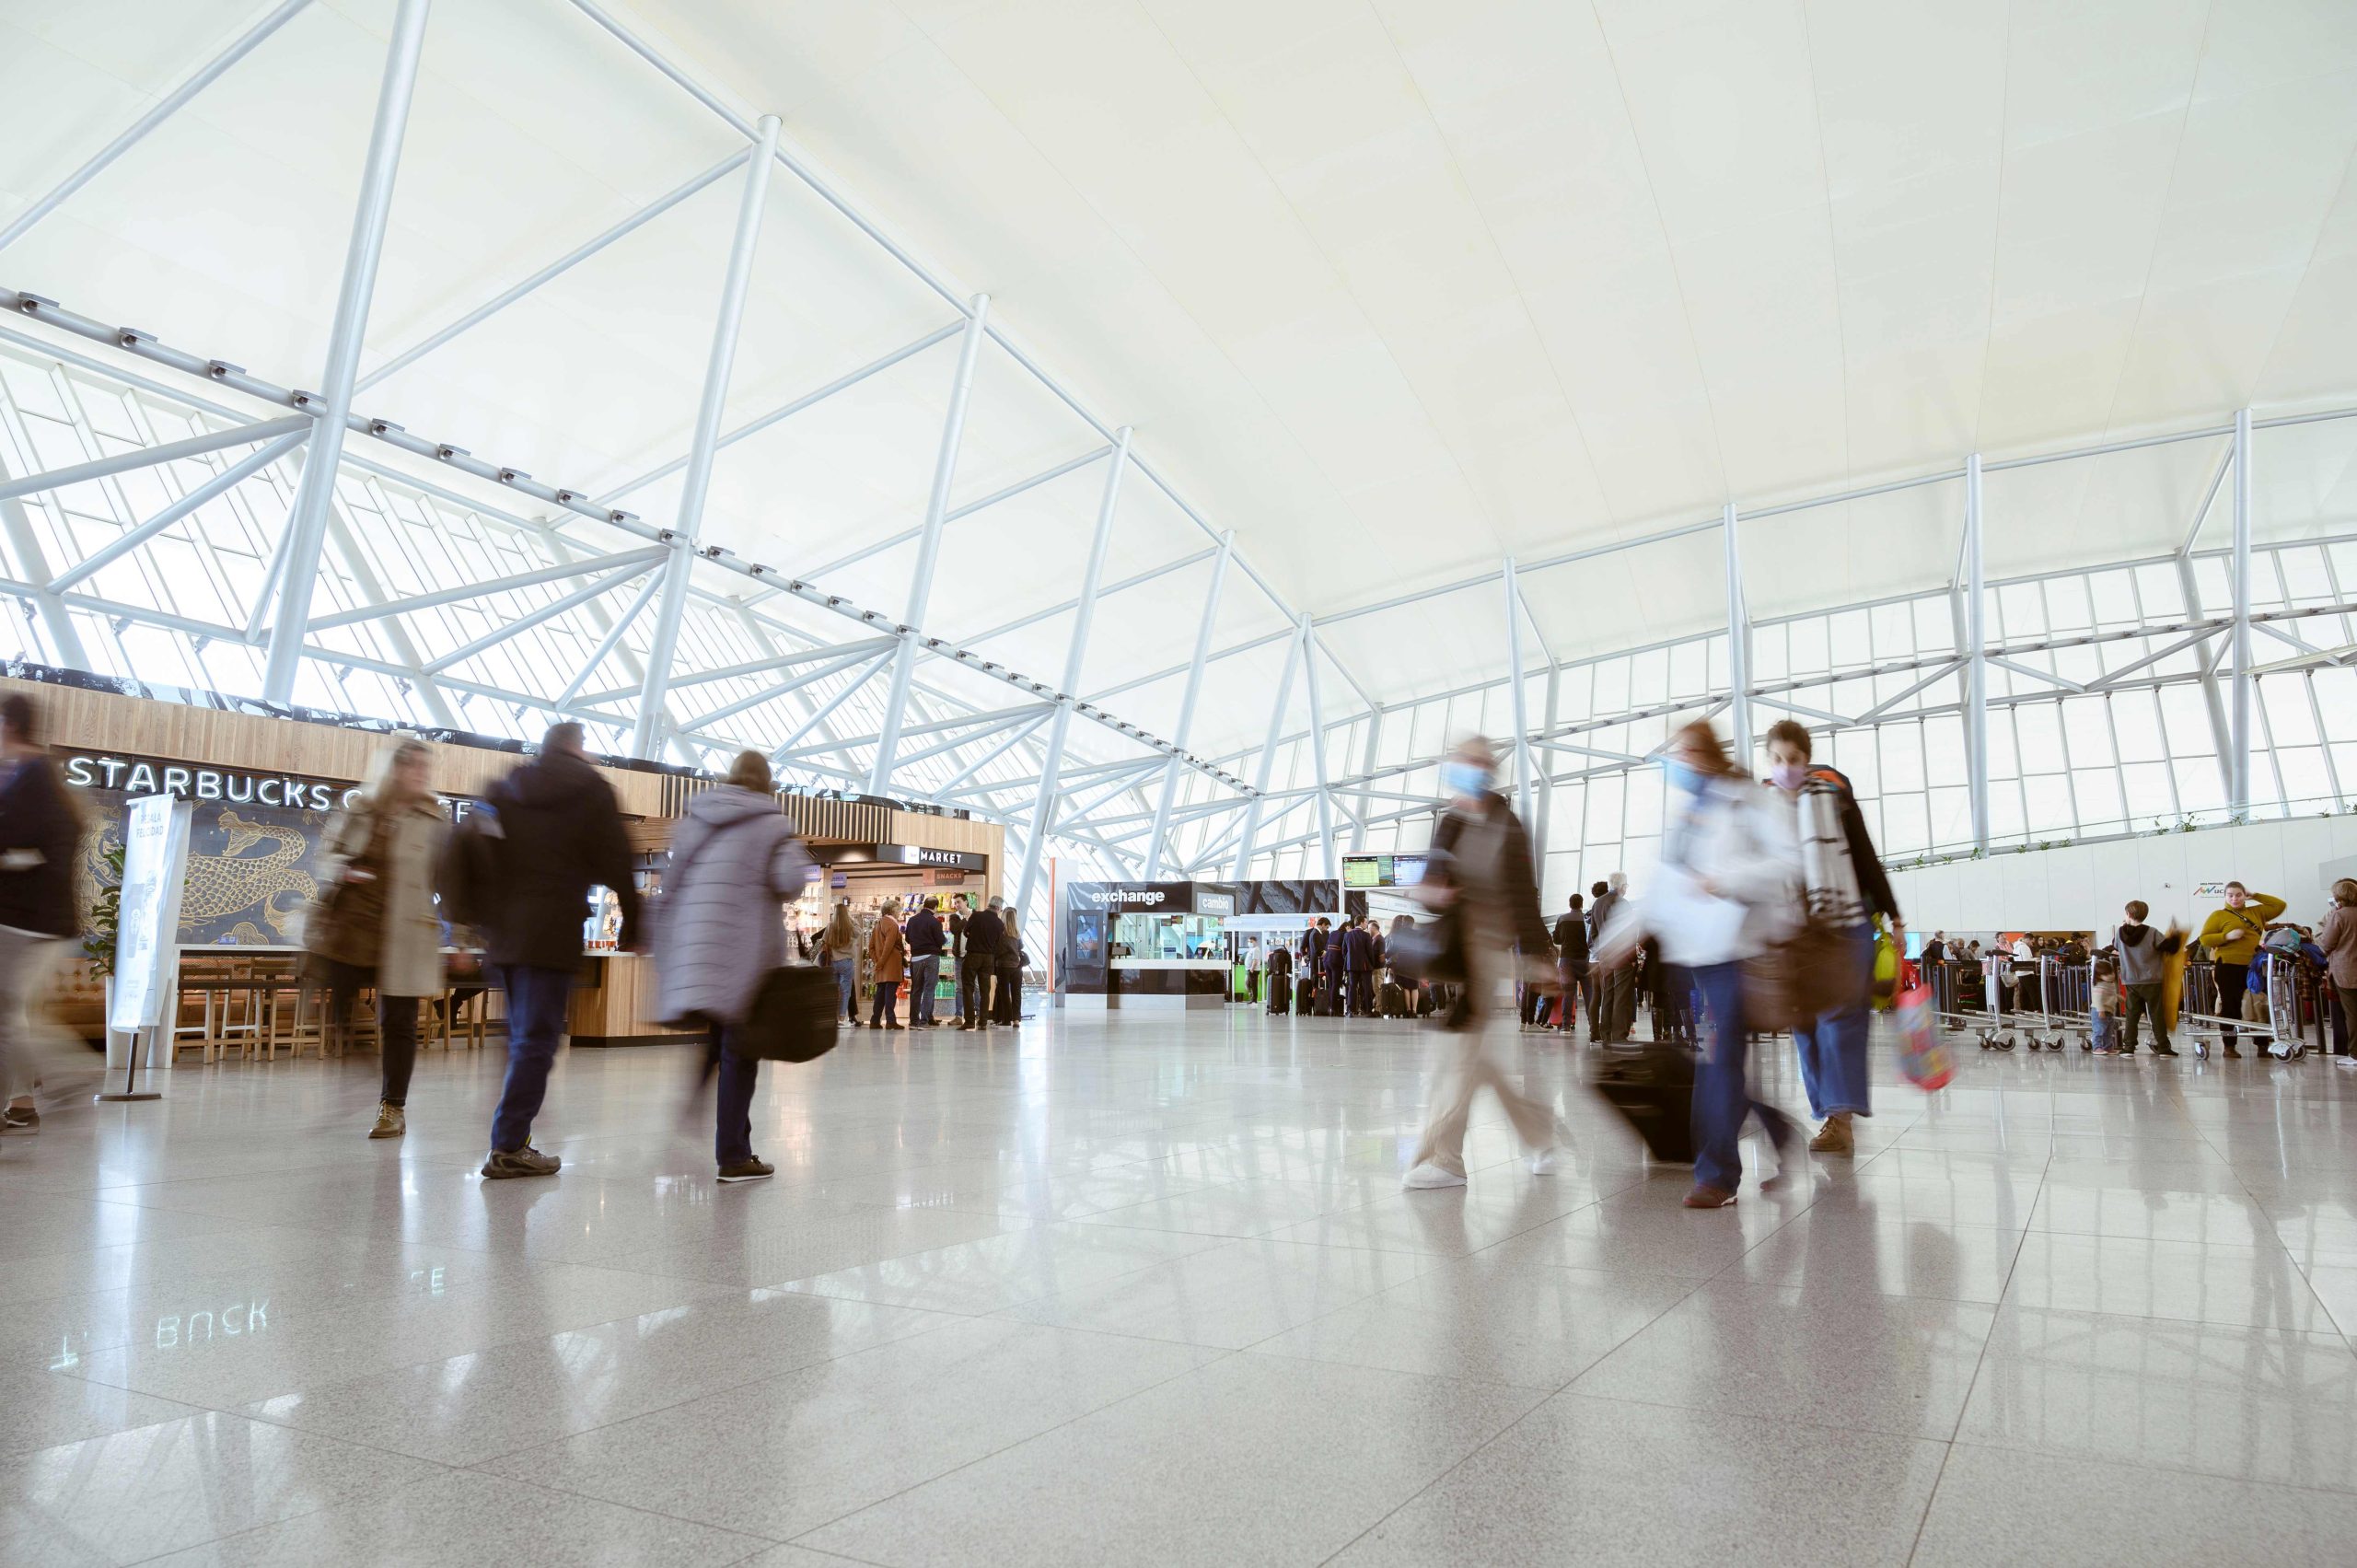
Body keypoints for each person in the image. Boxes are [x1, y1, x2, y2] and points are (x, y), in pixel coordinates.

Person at [1605, 720, 1802, 1210]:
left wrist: (1725, 879)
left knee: (1719, 1063)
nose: (1680, 763)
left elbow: (1788, 862)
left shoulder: (1747, 800)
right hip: (1699, 954)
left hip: (1742, 948)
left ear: (1708, 754)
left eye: (1687, 752)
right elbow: (1663, 887)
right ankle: (1779, 1134)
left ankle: (1717, 1176)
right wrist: (1621, 938)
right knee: (1723, 1064)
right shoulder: (1687, 815)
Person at [470, 722, 638, 1179]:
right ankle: (507, 1144)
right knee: (536, 1042)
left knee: (519, 1037)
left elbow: (473, 854)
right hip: (552, 930)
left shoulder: (506, 788)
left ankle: (511, 1136)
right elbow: (619, 862)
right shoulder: (592, 790)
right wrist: (635, 923)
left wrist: (481, 919)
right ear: (577, 747)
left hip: (505, 935)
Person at [1402, 737, 1564, 1190]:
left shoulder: (1507, 824)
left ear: (1488, 768)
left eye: (1474, 762)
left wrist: (1540, 957)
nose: (1465, 769)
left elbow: (1522, 895)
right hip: (1456, 947)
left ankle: (1444, 1158)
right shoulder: (1449, 822)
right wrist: (1431, 893)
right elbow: (1435, 885)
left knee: (1457, 1053)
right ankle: (1539, 1137)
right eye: (1460, 762)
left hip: (1489, 949)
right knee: (1477, 1061)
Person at [654, 751, 814, 1181]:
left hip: (697, 947)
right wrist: (792, 849)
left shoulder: (696, 818)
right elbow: (790, 883)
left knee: (721, 1039)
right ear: (767, 784)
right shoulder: (772, 824)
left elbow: (671, 886)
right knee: (741, 1052)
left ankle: (698, 1104)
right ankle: (733, 1155)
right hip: (743, 952)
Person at [1763, 720, 1901, 1158]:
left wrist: (1893, 915)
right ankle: (1829, 1112)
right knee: (1804, 1024)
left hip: (1845, 923)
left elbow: (1863, 853)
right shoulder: (1761, 808)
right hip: (1794, 933)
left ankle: (1839, 1120)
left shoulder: (1833, 794)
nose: (1787, 768)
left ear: (1807, 759)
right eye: (1779, 760)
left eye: (1795, 760)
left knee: (1842, 1020)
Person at [313, 738, 447, 1141]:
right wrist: (343, 870)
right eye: (412, 767)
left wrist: (458, 934)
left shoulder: (434, 818)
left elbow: (448, 876)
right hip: (354, 926)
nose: (420, 776)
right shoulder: (361, 809)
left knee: (399, 1021)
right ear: (393, 769)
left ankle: (393, 1106)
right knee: (339, 999)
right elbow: (327, 854)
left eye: (425, 769)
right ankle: (361, 1063)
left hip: (405, 931)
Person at [0, 692, 87, 1134]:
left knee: (9, 1012)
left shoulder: (31, 775)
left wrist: (14, 858)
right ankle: (21, 1102)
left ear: (8, 724)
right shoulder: (34, 774)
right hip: (35, 918)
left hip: (27, 918)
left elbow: (21, 838)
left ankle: (69, 1072)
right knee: (14, 1012)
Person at [2198, 881, 2287, 1058]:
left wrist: (2256, 895)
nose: (2234, 898)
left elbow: (2280, 905)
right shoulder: (2218, 915)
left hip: (2253, 965)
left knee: (2261, 1004)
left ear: (2244, 895)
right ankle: (2229, 1046)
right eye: (2230, 895)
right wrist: (2226, 936)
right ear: (2225, 897)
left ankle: (2263, 1044)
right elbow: (2205, 939)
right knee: (2231, 1006)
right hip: (2228, 966)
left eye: (2238, 894)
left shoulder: (2256, 912)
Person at [2115, 900, 2180, 1057]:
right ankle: (2163, 1047)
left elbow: (2116, 947)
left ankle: (2128, 1047)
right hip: (2152, 979)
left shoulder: (2119, 933)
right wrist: (2176, 935)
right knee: (2156, 1014)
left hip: (2130, 980)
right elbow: (2171, 948)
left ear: (2128, 914)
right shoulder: (2152, 932)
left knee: (2131, 1015)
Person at [1593, 875, 1636, 1043]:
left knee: (1608, 994)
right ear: (1622, 886)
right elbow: (1629, 933)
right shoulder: (1623, 904)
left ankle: (1606, 1034)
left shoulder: (1598, 903)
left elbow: (1594, 935)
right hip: (1622, 956)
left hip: (1605, 956)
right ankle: (1619, 1035)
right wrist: (1632, 957)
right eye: (1626, 885)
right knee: (1622, 996)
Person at [2319, 880, 2356, 1066]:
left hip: (2346, 971)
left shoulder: (2339, 915)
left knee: (2352, 1014)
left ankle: (2355, 1054)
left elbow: (2326, 944)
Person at [961, 895, 1003, 1028]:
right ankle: (983, 1022)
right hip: (988, 958)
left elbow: (965, 931)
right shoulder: (999, 924)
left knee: (968, 987)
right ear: (998, 908)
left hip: (973, 955)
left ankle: (969, 1022)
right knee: (985, 990)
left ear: (989, 904)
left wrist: (973, 937)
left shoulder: (976, 916)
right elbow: (998, 943)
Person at [905, 896, 946, 1027]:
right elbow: (941, 940)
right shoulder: (934, 922)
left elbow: (908, 939)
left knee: (916, 989)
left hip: (915, 958)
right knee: (929, 989)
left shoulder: (912, 920)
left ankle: (913, 1021)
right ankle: (924, 1021)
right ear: (935, 907)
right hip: (931, 958)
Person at [1552, 893, 1589, 1035]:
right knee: (1589, 994)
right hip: (1584, 960)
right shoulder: (1586, 919)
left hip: (1567, 961)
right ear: (1581, 904)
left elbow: (1557, 940)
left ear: (1570, 904)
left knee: (1568, 994)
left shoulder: (1562, 919)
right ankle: (1593, 1026)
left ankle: (1566, 1026)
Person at [867, 898, 908, 1029]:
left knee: (880, 994)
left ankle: (875, 1020)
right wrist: (881, 963)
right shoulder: (892, 925)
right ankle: (890, 1021)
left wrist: (877, 962)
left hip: (881, 966)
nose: (899, 913)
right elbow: (889, 947)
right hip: (891, 965)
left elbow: (871, 947)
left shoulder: (878, 925)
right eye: (898, 910)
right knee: (890, 994)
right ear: (893, 910)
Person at [819, 899, 858, 1024]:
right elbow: (859, 932)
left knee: (834, 990)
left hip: (833, 962)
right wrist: (851, 920)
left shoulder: (830, 926)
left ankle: (833, 1017)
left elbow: (822, 941)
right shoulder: (851, 927)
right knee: (845, 990)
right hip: (847, 962)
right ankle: (842, 1017)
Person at [994, 901, 1026, 1025]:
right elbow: (1021, 947)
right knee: (1017, 993)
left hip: (1003, 966)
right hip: (1017, 967)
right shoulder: (1017, 934)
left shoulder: (1000, 934)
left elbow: (997, 951)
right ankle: (1017, 1019)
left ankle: (1006, 1019)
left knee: (1004, 994)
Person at [1342, 915, 1376, 1017]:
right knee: (1367, 988)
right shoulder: (1366, 935)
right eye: (1366, 922)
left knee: (1352, 987)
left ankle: (1350, 1010)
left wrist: (1349, 961)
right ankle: (1368, 1010)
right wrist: (1372, 963)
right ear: (1361, 923)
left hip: (1351, 965)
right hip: (1364, 965)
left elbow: (1344, 951)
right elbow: (1370, 952)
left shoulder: (1347, 935)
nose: (1366, 924)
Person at [946, 892, 970, 1022]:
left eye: (959, 902)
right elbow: (954, 930)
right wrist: (966, 919)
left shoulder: (976, 914)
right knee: (959, 987)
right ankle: (959, 1015)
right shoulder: (954, 917)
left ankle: (976, 1014)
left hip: (972, 957)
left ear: (966, 902)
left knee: (975, 986)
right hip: (959, 957)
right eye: (955, 903)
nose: (956, 905)